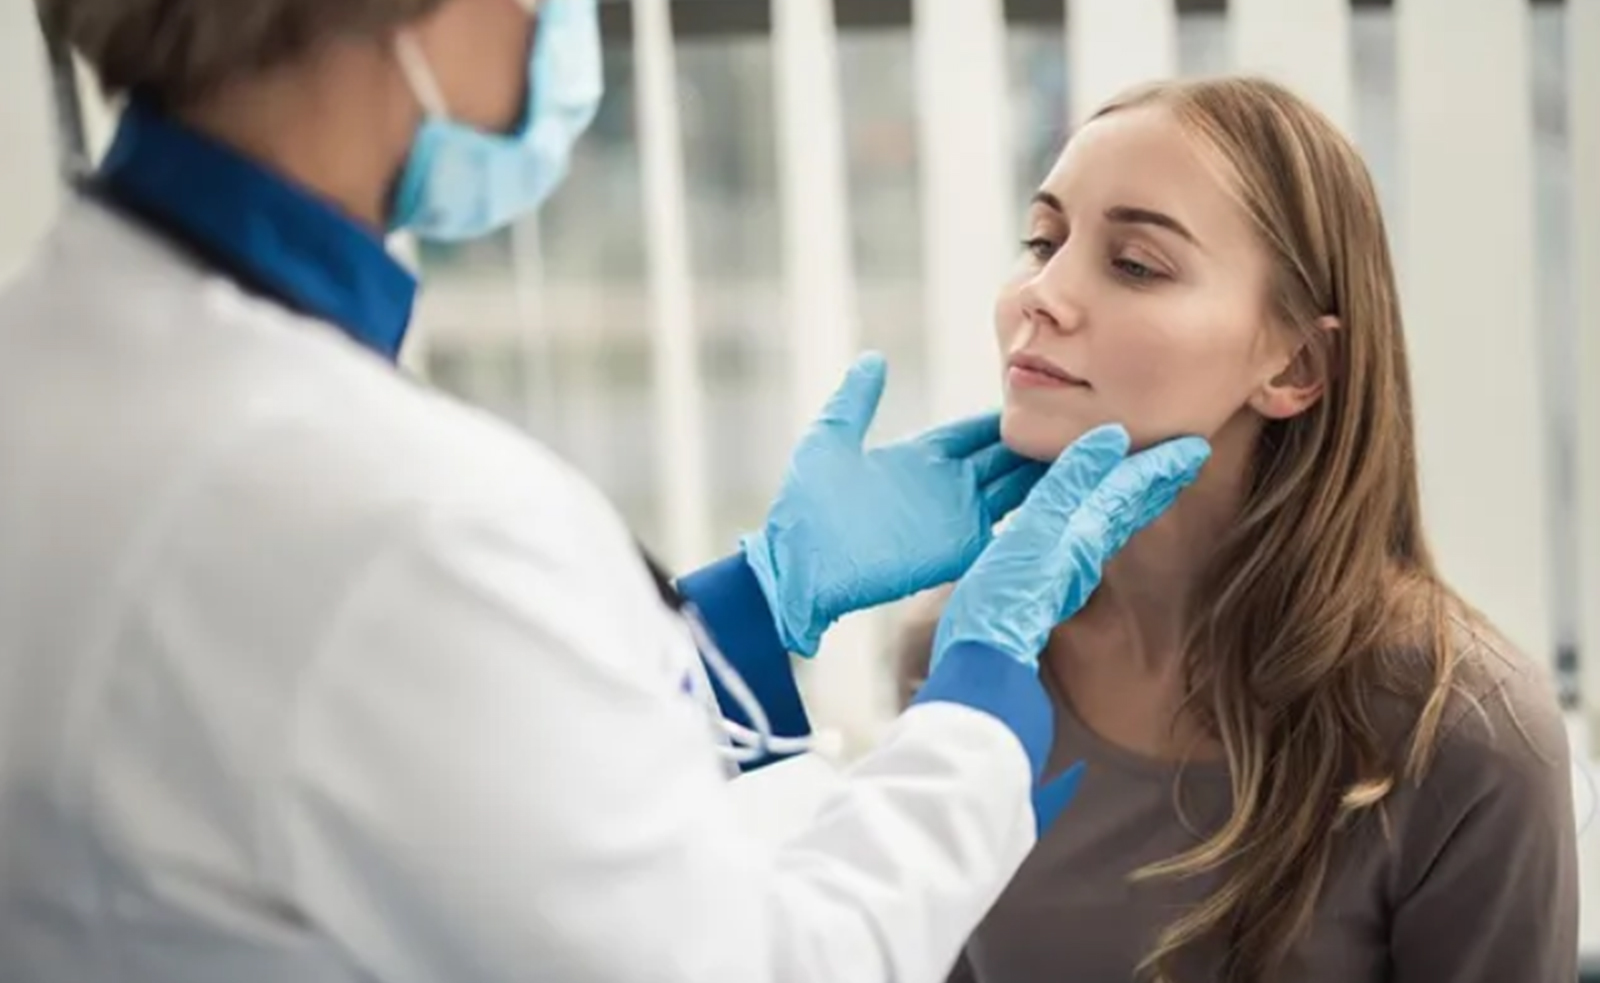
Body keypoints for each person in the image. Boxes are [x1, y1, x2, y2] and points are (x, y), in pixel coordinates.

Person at [0, 1, 1214, 982]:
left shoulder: (60, 360)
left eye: (1139, 260)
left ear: (1297, 362)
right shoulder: (396, 527)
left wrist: (749, 611)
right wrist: (980, 703)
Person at [894, 76, 1578, 982]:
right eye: (1042, 241)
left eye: (1135, 263)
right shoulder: (967, 653)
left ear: (1296, 364)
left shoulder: (1468, 737)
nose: (1039, 296)